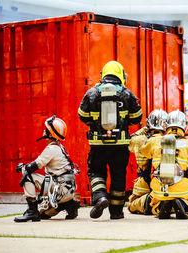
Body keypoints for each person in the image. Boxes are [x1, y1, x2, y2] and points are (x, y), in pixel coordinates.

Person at [78, 61, 142, 219]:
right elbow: (137, 117)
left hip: (97, 144)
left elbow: (82, 115)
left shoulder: (92, 93)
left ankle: (100, 197)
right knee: (118, 175)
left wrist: (94, 122)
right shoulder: (126, 93)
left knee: (96, 172)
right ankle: (116, 212)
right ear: (121, 74)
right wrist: (124, 120)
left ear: (103, 74)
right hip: (120, 145)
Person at [140, 110, 188, 219]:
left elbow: (142, 151)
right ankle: (185, 205)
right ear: (184, 126)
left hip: (159, 190)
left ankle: (161, 206)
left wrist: (144, 132)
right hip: (183, 190)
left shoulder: (155, 142)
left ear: (166, 125)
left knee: (154, 203)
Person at [14, 116, 80, 222]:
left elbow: (35, 166)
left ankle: (32, 211)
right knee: (43, 214)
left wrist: (23, 167)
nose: (44, 131)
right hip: (67, 191)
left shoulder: (51, 149)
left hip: (59, 190)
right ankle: (69, 205)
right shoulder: (60, 147)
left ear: (50, 133)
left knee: (28, 176)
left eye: (46, 129)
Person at [127, 109, 168, 215]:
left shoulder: (139, 140)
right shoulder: (170, 140)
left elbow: (129, 140)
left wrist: (144, 128)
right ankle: (158, 202)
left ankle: (146, 201)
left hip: (143, 183)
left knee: (132, 204)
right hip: (164, 182)